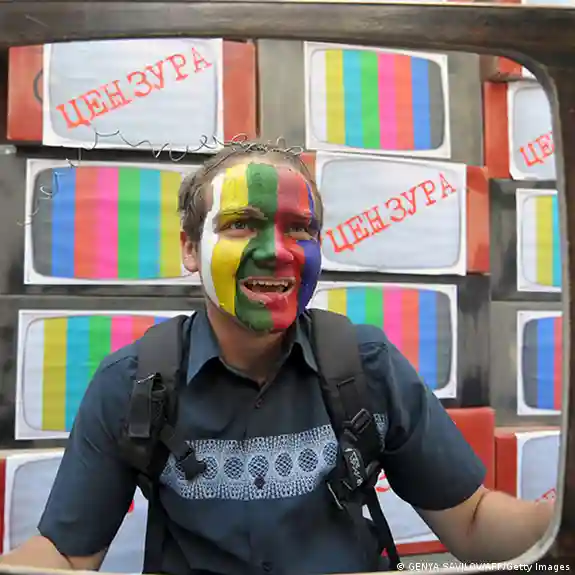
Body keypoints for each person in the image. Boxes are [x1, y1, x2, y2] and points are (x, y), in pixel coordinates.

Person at [1, 141, 553, 574]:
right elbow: (67, 556)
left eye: (299, 229)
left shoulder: (369, 365)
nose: (276, 251)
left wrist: (556, 519)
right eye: (241, 224)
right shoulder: (131, 384)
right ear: (190, 248)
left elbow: (472, 522)